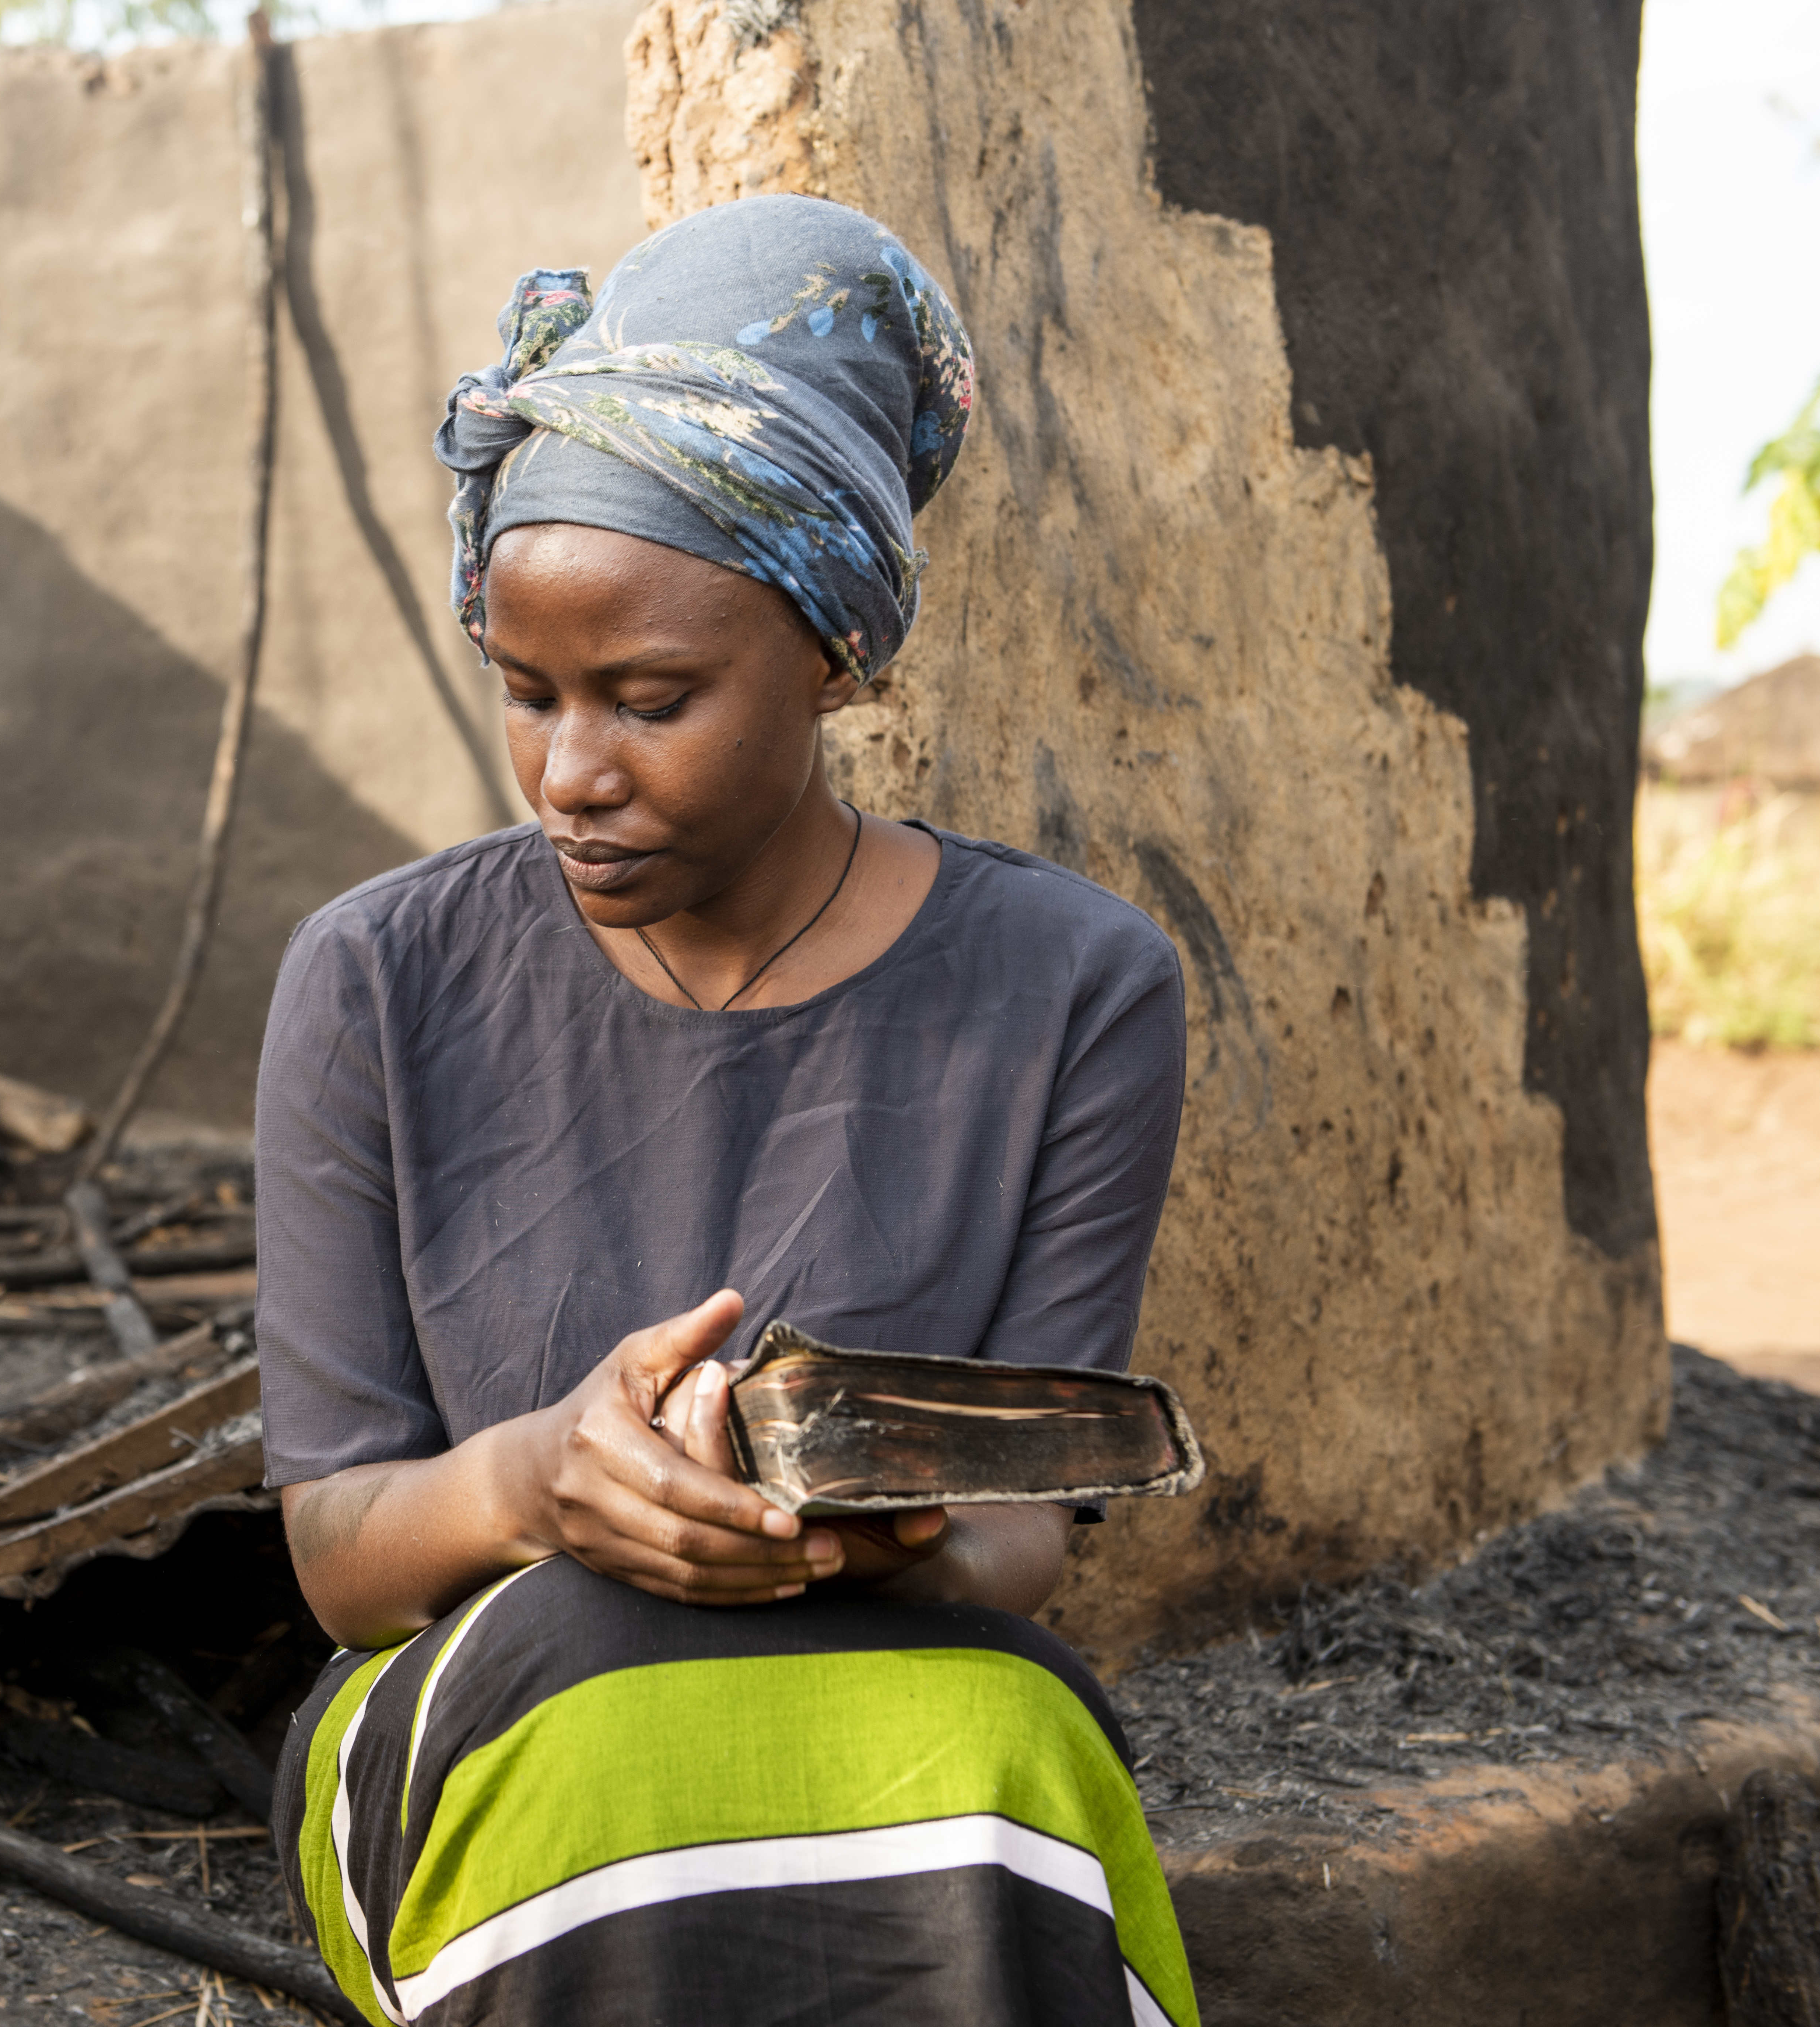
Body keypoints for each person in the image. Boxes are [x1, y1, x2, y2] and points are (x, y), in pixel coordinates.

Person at [255, 194, 1197, 2026]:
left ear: (836, 654)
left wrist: (868, 1518)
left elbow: (1024, 1540)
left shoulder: (1080, 991)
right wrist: (545, 1478)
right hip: (496, 1684)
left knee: (998, 1786)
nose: (571, 772)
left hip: (908, 1663)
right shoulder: (376, 979)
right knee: (611, 1776)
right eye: (526, 694)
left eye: (651, 697)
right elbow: (339, 1556)